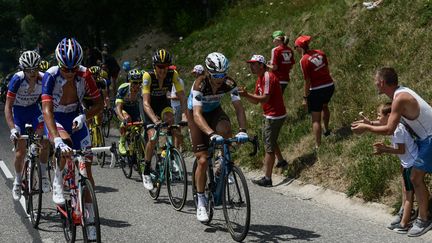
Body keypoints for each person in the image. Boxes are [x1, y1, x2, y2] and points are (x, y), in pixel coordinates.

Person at [351, 67, 432, 237]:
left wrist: (367, 127)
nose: (374, 83)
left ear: (381, 82)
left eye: (375, 80)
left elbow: (389, 129)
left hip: (430, 138)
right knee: (412, 177)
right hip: (425, 138)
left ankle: (424, 219)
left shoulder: (399, 99)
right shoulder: (400, 94)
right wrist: (371, 122)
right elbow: (392, 121)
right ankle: (417, 214)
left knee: (415, 178)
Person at [42, 38, 103, 240]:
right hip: (57, 118)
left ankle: (90, 217)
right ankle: (58, 181)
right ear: (59, 63)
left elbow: (99, 104)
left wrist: (85, 115)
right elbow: (47, 110)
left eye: (73, 69)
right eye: (65, 69)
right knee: (65, 146)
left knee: (86, 166)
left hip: (76, 117)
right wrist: (56, 139)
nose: (69, 73)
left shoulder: (85, 74)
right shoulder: (50, 76)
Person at [188, 52, 248, 222]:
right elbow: (198, 115)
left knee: (226, 128)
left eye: (223, 74)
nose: (220, 78)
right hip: (197, 115)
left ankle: (223, 161)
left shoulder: (229, 83)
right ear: (208, 72)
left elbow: (238, 108)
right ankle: (200, 201)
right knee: (202, 160)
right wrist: (211, 134)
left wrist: (243, 130)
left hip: (214, 111)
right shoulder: (200, 84)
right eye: (216, 75)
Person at [5, 50, 50, 200]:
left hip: (33, 110)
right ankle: (17, 182)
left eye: (35, 69)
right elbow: (7, 107)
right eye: (29, 70)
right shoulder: (17, 79)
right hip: (18, 112)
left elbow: (49, 103)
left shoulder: (44, 79)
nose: (32, 73)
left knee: (44, 141)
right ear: (23, 69)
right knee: (20, 151)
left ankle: (43, 176)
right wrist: (12, 129)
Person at [141, 49, 187, 190]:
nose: (163, 70)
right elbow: (146, 103)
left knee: (172, 124)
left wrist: (185, 115)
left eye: (166, 66)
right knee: (153, 137)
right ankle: (146, 170)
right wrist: (155, 120)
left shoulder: (173, 74)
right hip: (148, 106)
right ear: (155, 66)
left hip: (162, 103)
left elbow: (182, 98)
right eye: (160, 67)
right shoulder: (148, 76)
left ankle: (171, 156)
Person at [239, 54, 287, 187]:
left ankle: (267, 178)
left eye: (254, 64)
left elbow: (265, 98)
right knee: (270, 139)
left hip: (274, 115)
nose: (251, 67)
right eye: (250, 64)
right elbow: (255, 101)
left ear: (261, 65)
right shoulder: (260, 78)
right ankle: (281, 161)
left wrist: (246, 94)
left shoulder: (267, 77)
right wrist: (245, 95)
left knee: (268, 147)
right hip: (271, 114)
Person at [369, 102, 418, 233]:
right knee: (408, 192)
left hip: (411, 164)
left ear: (389, 115)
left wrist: (385, 149)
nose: (378, 118)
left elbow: (401, 150)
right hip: (407, 162)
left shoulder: (397, 130)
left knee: (409, 195)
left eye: (379, 115)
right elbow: (400, 148)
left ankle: (404, 224)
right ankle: (407, 217)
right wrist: (369, 124)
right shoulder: (396, 126)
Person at [295, 35, 335, 149]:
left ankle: (318, 145)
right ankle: (327, 130)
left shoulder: (303, 60)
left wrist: (305, 97)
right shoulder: (320, 52)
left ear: (299, 47)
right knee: (325, 106)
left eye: (295, 47)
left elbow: (307, 81)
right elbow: (327, 69)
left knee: (315, 119)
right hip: (329, 85)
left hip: (316, 90)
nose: (295, 50)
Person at [115, 69, 143, 156]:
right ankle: (122, 142)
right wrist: (123, 119)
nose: (138, 85)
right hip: (123, 108)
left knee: (139, 127)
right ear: (130, 81)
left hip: (134, 108)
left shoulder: (143, 89)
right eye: (135, 82)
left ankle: (135, 144)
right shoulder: (123, 88)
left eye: (140, 82)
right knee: (127, 119)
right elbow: (119, 107)